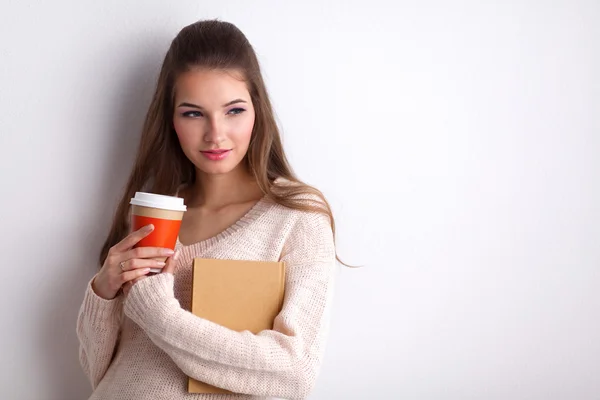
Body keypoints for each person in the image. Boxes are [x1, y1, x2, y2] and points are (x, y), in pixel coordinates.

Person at [76, 19, 344, 400]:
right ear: (171, 121)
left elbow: (293, 374)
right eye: (193, 113)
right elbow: (101, 372)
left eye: (234, 110)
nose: (215, 134)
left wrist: (160, 314)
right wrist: (103, 292)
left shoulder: (296, 216)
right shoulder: (154, 214)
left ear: (257, 111)